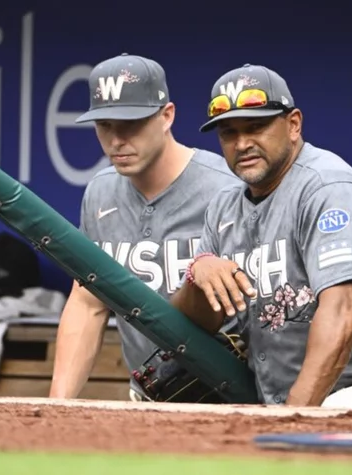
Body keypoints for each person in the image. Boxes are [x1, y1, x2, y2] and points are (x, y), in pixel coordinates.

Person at [170, 63, 352, 410]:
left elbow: (343, 312)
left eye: (256, 126)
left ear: (293, 125)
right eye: (229, 133)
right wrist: (200, 271)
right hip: (307, 398)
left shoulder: (328, 189)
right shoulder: (224, 208)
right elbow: (199, 321)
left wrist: (292, 416)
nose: (242, 143)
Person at [49, 53, 240, 401]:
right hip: (149, 393)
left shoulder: (227, 187)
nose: (117, 139)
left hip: (232, 392)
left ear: (167, 116)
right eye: (105, 125)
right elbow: (88, 303)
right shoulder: (100, 192)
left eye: (131, 123)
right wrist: (57, 405)